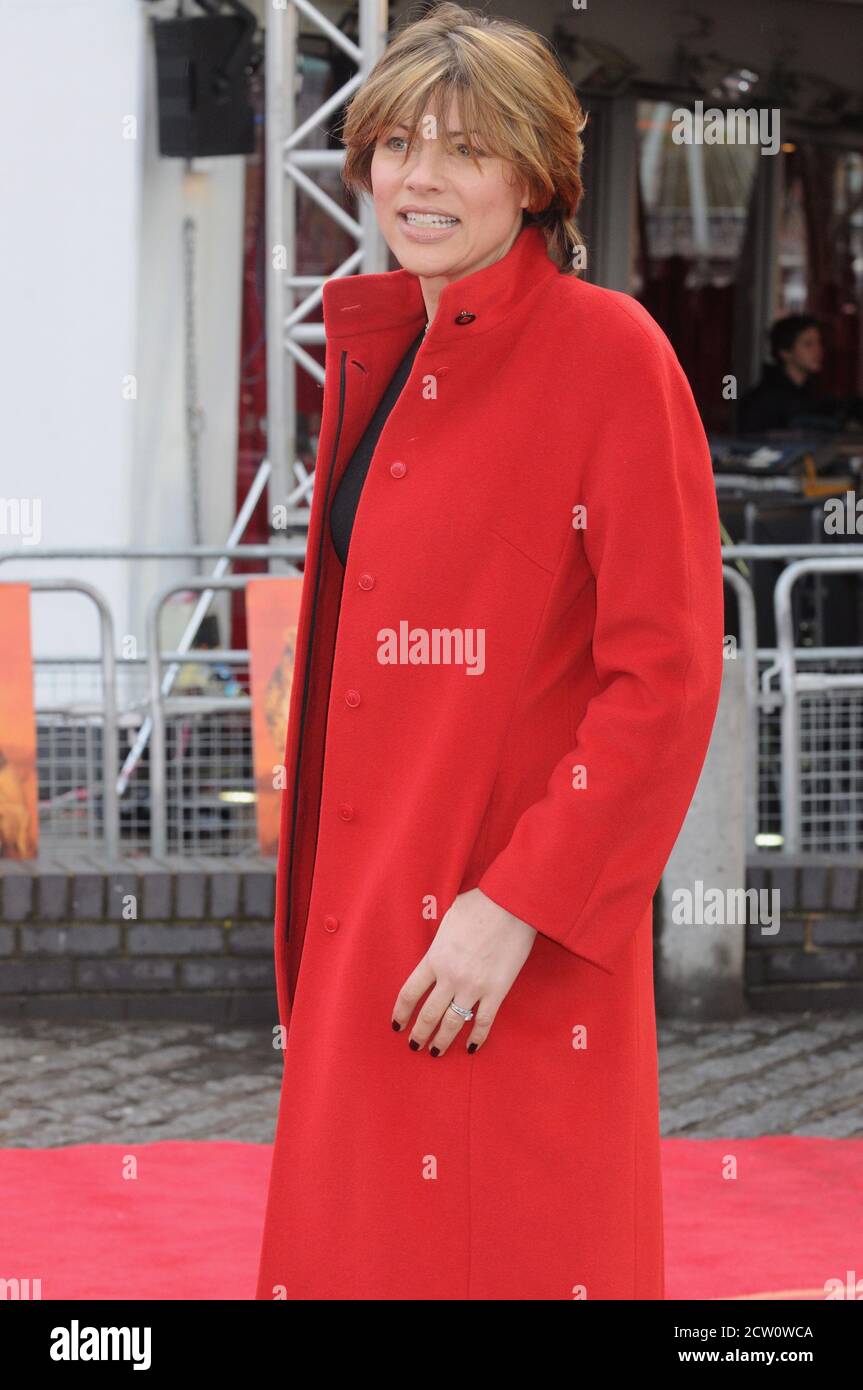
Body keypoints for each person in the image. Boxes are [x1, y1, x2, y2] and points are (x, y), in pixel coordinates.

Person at [255, 1, 724, 1301]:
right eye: (396, 143)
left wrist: (515, 901)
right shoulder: (386, 350)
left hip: (498, 940)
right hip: (361, 921)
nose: (419, 176)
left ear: (532, 177)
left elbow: (667, 673)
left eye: (464, 148)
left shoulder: (610, 353)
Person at [738, 314, 861, 433]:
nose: (818, 350)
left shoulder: (816, 394)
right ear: (785, 352)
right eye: (808, 344)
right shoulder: (763, 401)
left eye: (819, 343)